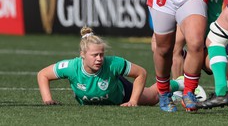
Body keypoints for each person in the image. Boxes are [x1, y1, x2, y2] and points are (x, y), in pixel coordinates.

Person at [37, 26, 201, 107]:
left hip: (121, 94)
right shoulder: (71, 67)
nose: (100, 58)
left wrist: (133, 101)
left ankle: (181, 83)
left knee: (152, 97)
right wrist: (48, 99)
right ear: (82, 54)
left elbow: (141, 73)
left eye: (101, 54)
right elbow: (42, 74)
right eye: (95, 55)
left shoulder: (113, 63)